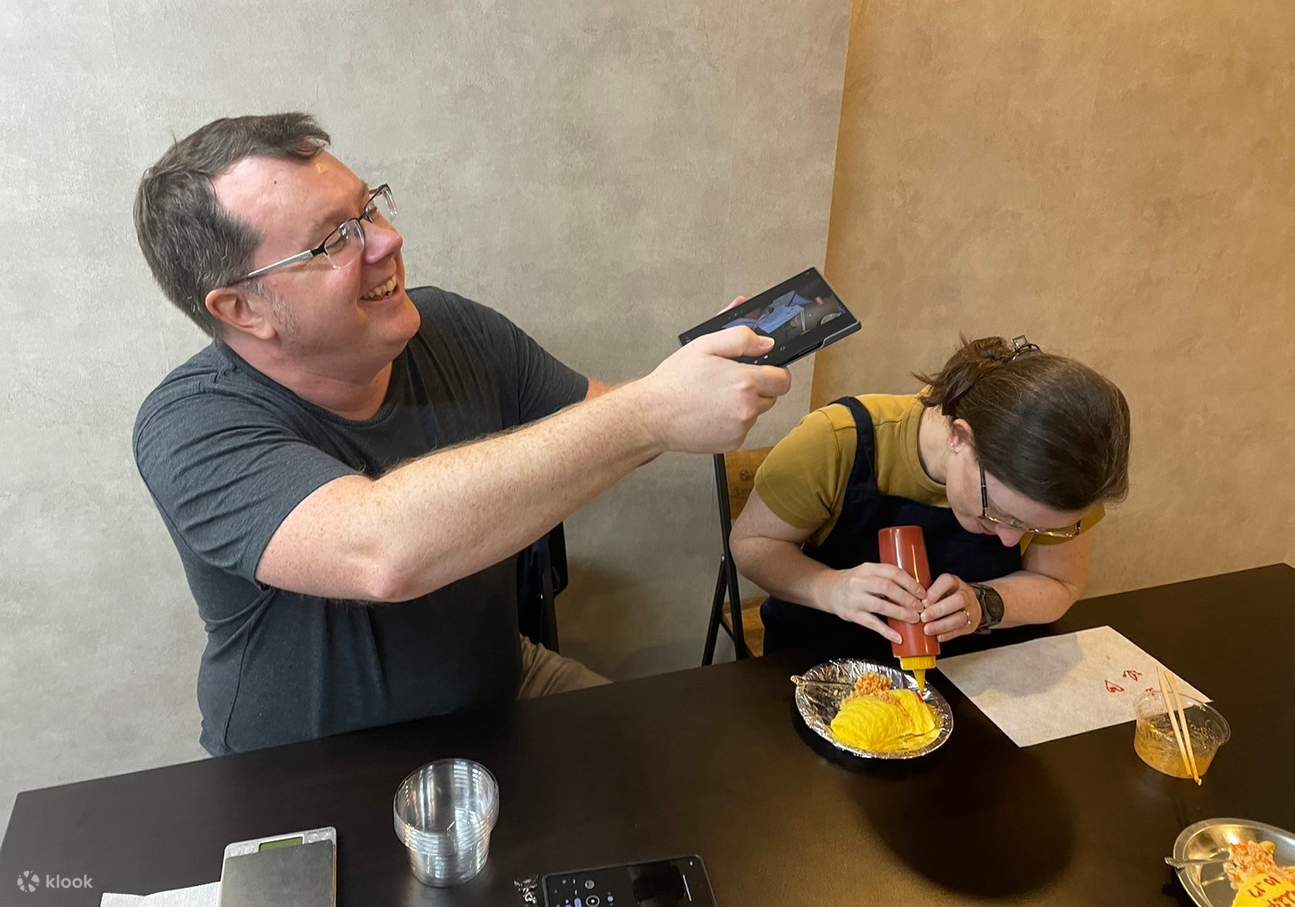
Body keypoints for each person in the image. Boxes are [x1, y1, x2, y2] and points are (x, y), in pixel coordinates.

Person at [131, 113, 790, 755]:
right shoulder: (190, 424)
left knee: (685, 780)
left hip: (502, 690)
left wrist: (693, 380)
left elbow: (598, 418)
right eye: (335, 240)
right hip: (304, 764)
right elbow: (381, 551)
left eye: (370, 209)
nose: (386, 242)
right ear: (243, 308)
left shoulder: (452, 328)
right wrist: (649, 414)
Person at [730, 335, 1130, 660]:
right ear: (960, 437)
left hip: (972, 670)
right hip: (822, 660)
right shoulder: (836, 442)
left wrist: (983, 603)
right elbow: (750, 545)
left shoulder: (1071, 475)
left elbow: (1057, 583)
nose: (1011, 540)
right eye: (1001, 515)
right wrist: (831, 588)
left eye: (1035, 528)